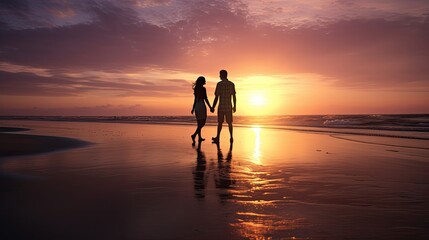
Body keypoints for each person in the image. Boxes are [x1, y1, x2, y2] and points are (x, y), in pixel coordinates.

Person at [210, 69, 236, 143]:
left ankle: (218, 137)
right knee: (230, 123)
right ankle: (231, 137)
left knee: (220, 123)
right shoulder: (231, 84)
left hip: (221, 107)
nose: (219, 76)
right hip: (229, 106)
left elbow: (216, 97)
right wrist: (235, 106)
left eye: (220, 75)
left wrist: (213, 107)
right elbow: (234, 96)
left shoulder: (219, 84)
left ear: (222, 75)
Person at [191, 76, 212, 145]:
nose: (205, 81)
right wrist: (210, 107)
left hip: (197, 105)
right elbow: (205, 98)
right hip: (201, 105)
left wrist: (193, 108)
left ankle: (199, 137)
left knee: (199, 122)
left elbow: (195, 99)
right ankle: (194, 135)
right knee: (203, 122)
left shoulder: (196, 89)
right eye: (204, 80)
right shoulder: (203, 89)